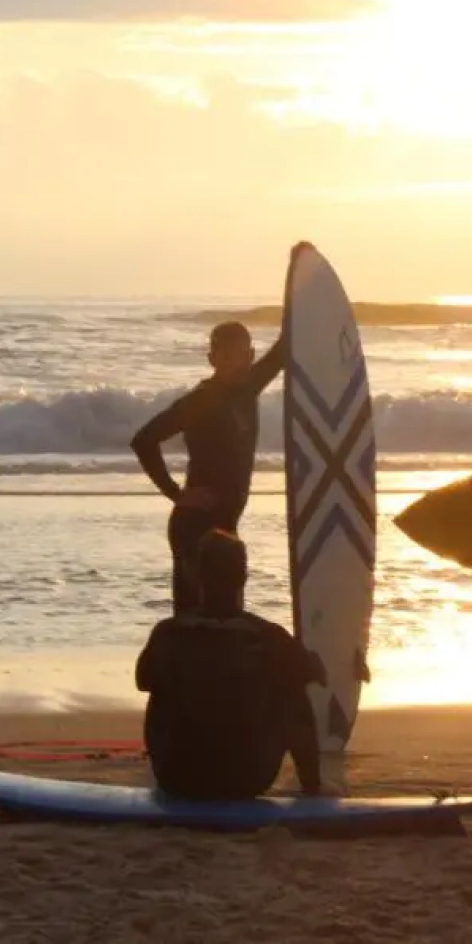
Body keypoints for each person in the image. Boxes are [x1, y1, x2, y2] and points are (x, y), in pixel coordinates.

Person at [134, 529, 329, 799]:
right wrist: (308, 662)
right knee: (293, 691)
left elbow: (142, 680)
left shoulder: (168, 632)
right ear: (243, 577)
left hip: (177, 777)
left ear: (196, 576)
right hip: (245, 779)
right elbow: (316, 677)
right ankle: (312, 787)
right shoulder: (268, 636)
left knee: (163, 675)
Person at [131, 315, 286, 614]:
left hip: (226, 526)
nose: (235, 362)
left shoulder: (249, 387)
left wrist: (302, 284)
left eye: (242, 354)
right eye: (226, 356)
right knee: (195, 623)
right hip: (194, 528)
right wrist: (176, 493)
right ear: (212, 359)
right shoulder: (202, 400)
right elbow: (144, 440)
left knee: (228, 620)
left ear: (250, 356)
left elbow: (281, 352)